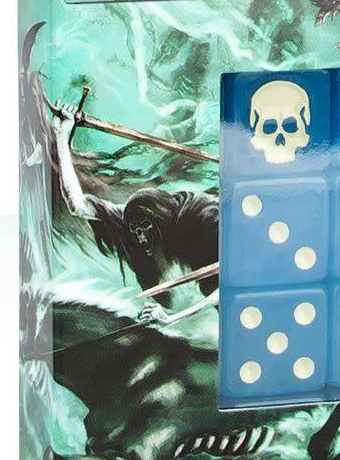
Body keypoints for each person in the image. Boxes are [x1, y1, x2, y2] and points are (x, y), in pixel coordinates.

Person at [49, 103, 218, 323]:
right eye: (136, 230)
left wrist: (171, 318)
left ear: (161, 221)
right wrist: (61, 136)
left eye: (145, 228)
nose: (141, 237)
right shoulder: (128, 221)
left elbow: (226, 285)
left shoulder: (197, 218)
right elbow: (78, 206)